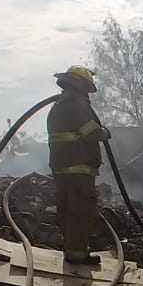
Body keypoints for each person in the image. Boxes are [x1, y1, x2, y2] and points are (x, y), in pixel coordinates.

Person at [45, 64, 110, 265]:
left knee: (67, 211)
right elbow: (90, 132)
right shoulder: (78, 104)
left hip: (61, 168)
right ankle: (77, 255)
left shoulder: (58, 106)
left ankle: (71, 251)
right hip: (79, 169)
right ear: (82, 86)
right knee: (81, 212)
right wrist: (105, 133)